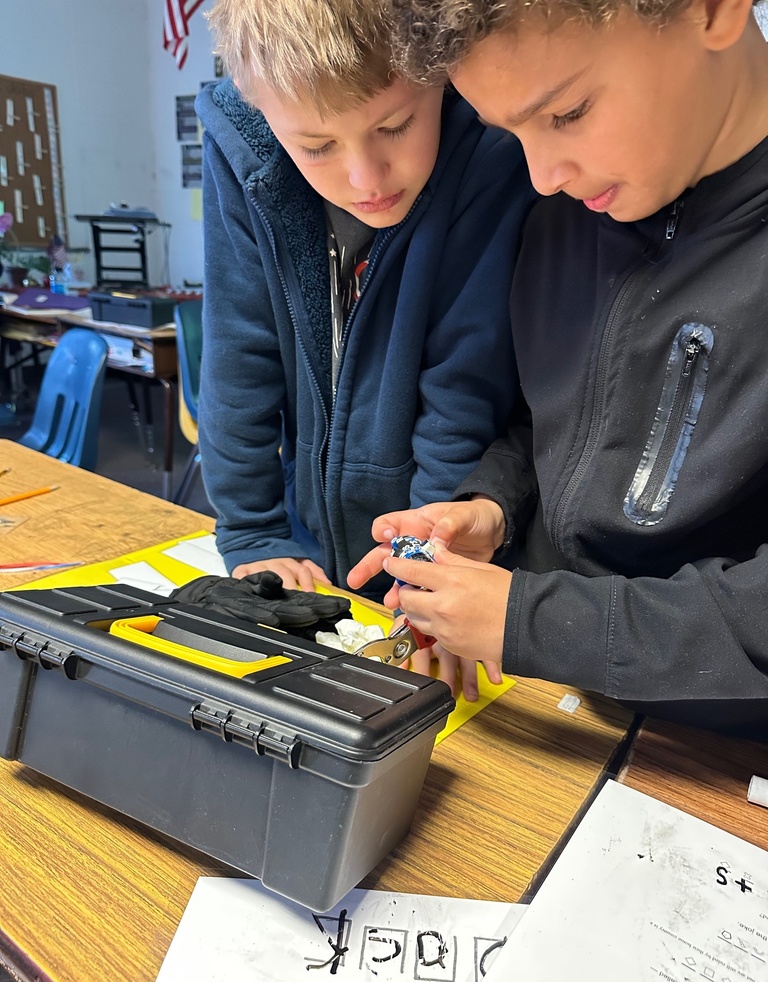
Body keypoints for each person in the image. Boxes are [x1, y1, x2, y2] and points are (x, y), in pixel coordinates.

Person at [348, 0, 768, 735]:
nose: (541, 175)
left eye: (567, 113)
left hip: (718, 753)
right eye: (509, 132)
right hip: (550, 704)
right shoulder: (565, 214)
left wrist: (534, 622)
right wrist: (493, 508)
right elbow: (556, 420)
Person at [195, 0, 532, 648]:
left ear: (440, 71)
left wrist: (426, 569)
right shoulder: (238, 146)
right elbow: (239, 352)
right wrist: (252, 532)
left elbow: (461, 391)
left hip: (444, 525)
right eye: (316, 146)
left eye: (397, 125)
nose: (364, 178)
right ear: (258, 104)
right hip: (308, 538)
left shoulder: (487, 155)